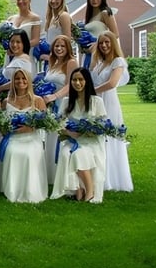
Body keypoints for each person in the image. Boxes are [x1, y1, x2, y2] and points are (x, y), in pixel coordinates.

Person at [51, 68, 107, 202]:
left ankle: (90, 191)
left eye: (81, 79)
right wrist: (68, 132)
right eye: (74, 80)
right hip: (72, 140)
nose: (77, 83)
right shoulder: (66, 101)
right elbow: (58, 125)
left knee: (78, 154)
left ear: (87, 81)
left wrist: (88, 131)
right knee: (65, 153)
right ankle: (77, 189)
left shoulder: (96, 101)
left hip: (91, 141)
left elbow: (103, 126)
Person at [90, 30, 133, 193]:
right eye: (101, 43)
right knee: (96, 136)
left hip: (109, 101)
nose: (104, 45)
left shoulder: (118, 61)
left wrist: (93, 90)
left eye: (107, 42)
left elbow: (112, 83)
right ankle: (98, 173)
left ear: (113, 44)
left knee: (109, 136)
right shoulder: (98, 62)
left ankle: (112, 178)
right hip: (97, 102)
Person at [0, 69, 48, 203]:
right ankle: (12, 190)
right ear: (13, 82)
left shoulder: (38, 100)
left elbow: (45, 123)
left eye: (23, 78)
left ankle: (30, 191)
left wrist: (30, 127)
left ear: (28, 81)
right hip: (13, 138)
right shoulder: (6, 101)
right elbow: (1, 125)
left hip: (31, 138)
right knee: (12, 152)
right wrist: (8, 129)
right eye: (17, 79)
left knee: (28, 154)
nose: (20, 81)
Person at [41, 34, 79, 182]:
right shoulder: (53, 63)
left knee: (60, 136)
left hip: (63, 103)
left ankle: (62, 175)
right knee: (50, 136)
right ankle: (51, 174)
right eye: (57, 46)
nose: (59, 48)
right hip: (50, 105)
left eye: (63, 46)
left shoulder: (71, 62)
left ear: (68, 48)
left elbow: (71, 84)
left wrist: (54, 96)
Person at [5, 0, 42, 70]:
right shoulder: (10, 19)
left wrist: (19, 47)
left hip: (26, 54)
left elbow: (36, 40)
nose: (21, 1)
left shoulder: (35, 18)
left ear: (29, 0)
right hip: (11, 54)